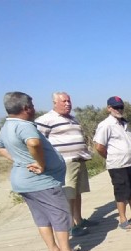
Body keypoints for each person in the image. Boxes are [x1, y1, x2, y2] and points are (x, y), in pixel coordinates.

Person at [0, 91, 93, 251]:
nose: (34, 109)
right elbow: (34, 143)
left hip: (24, 182)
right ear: (26, 108)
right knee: (60, 214)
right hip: (43, 181)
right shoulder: (25, 125)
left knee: (42, 218)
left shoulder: (7, 126)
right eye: (32, 105)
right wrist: (40, 163)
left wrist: (19, 160)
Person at [35, 92, 95, 237]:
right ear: (55, 103)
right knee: (68, 195)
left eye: (69, 101)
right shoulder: (45, 120)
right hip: (65, 163)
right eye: (64, 101)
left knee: (77, 192)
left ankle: (79, 220)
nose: (68, 104)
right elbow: (37, 141)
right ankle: (70, 226)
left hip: (79, 160)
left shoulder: (73, 119)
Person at [93, 96, 131, 230]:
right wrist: (110, 157)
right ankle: (123, 219)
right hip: (117, 165)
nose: (119, 110)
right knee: (121, 192)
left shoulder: (125, 123)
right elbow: (99, 146)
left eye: (121, 107)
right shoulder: (106, 125)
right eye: (115, 107)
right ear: (109, 108)